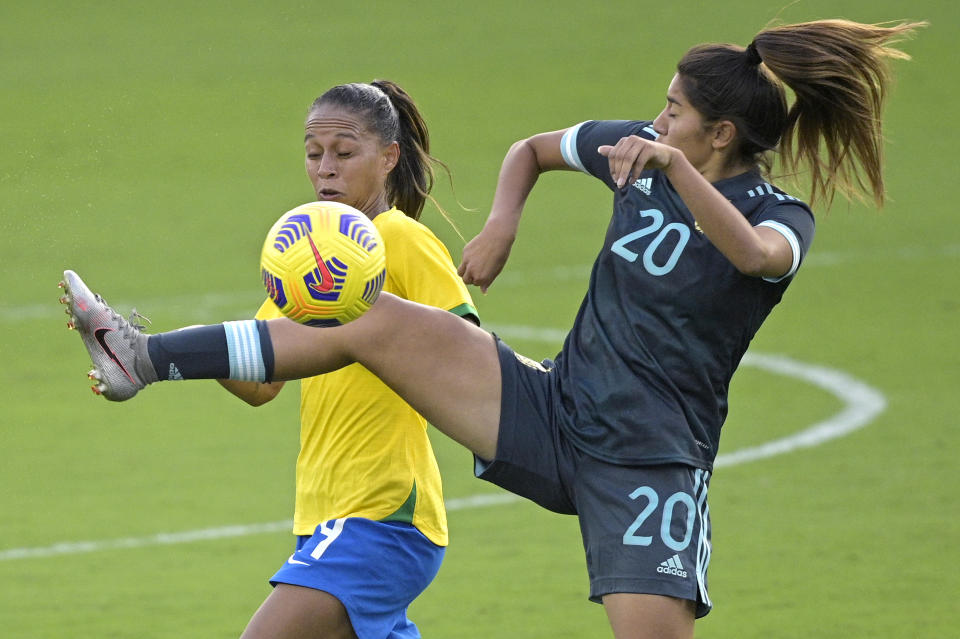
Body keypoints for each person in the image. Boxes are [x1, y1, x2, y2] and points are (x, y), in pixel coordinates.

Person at [60, 19, 923, 639]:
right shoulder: (635, 151)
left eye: (672, 112)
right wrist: (504, 221)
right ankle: (143, 355)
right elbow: (533, 150)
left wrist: (671, 172)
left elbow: (757, 259)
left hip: (648, 463)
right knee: (365, 318)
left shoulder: (778, 211)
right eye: (658, 110)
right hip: (553, 408)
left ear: (721, 132)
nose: (655, 122)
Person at [73, 80, 479, 639]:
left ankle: (133, 356)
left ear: (389, 158)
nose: (324, 170)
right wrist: (194, 348)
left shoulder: (398, 237)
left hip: (383, 514)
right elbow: (262, 382)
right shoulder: (318, 248)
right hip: (323, 515)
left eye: (343, 153)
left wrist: (380, 339)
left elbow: (466, 348)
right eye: (314, 155)